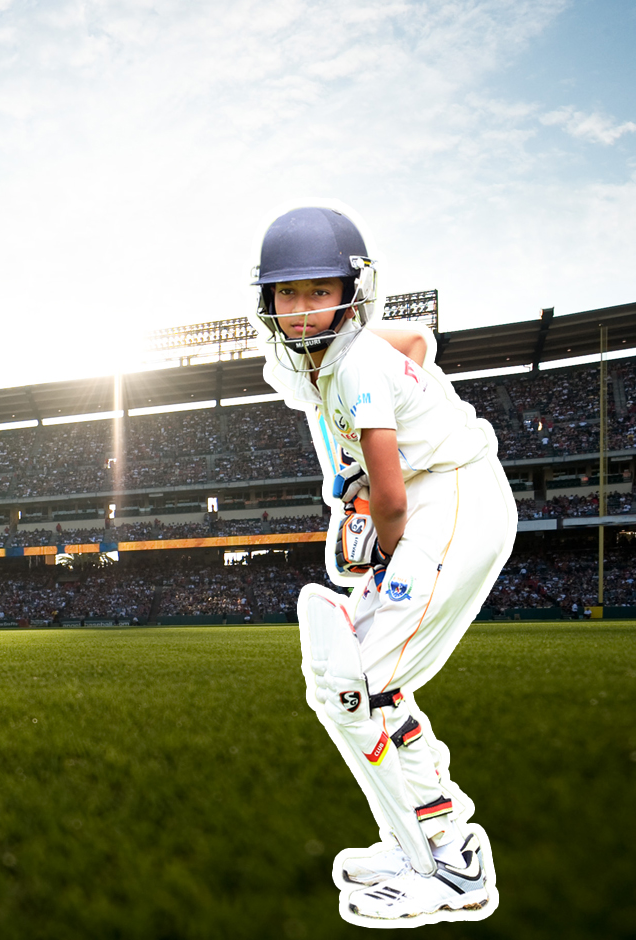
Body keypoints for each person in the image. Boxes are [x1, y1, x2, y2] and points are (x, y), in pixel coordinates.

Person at [250, 206, 512, 926]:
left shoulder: (354, 359)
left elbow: (392, 495)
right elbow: (418, 341)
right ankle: (436, 841)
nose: (302, 310)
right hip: (435, 498)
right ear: (266, 301)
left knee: (352, 686)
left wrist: (382, 543)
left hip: (448, 499)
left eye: (317, 291)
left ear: (351, 290)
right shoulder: (312, 359)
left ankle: (445, 875)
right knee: (374, 687)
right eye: (287, 294)